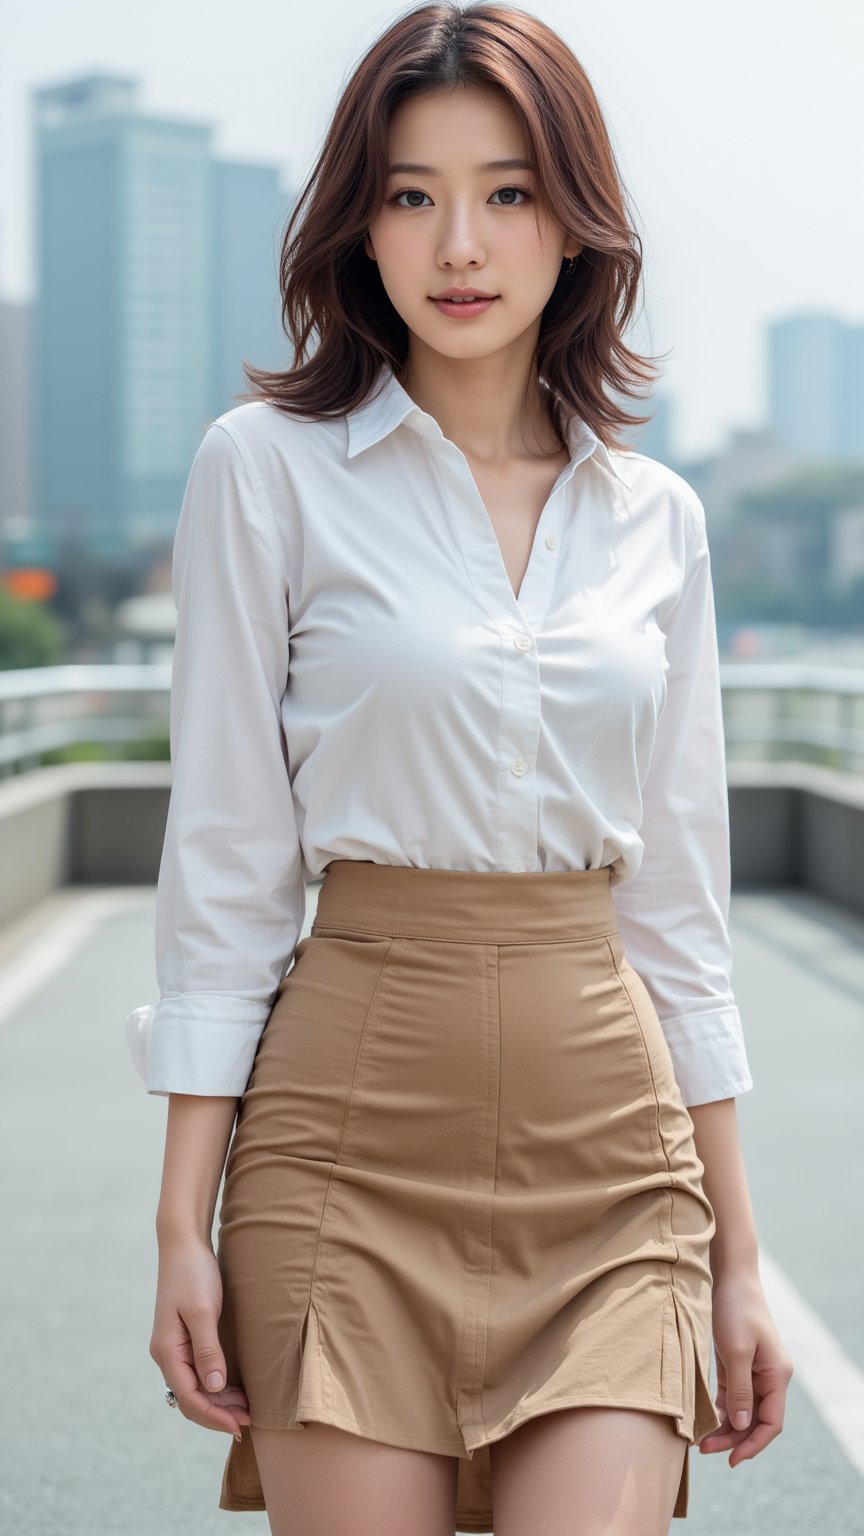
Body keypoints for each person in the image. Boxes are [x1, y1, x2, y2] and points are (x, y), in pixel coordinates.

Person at [125, 4, 793, 1532]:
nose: (460, 243)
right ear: (360, 228)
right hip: (346, 1142)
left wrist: (738, 1255)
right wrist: (180, 1220)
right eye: (412, 194)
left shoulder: (657, 521)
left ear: (578, 221)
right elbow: (227, 862)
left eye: (506, 191)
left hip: (613, 1164)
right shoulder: (265, 472)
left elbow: (682, 909)